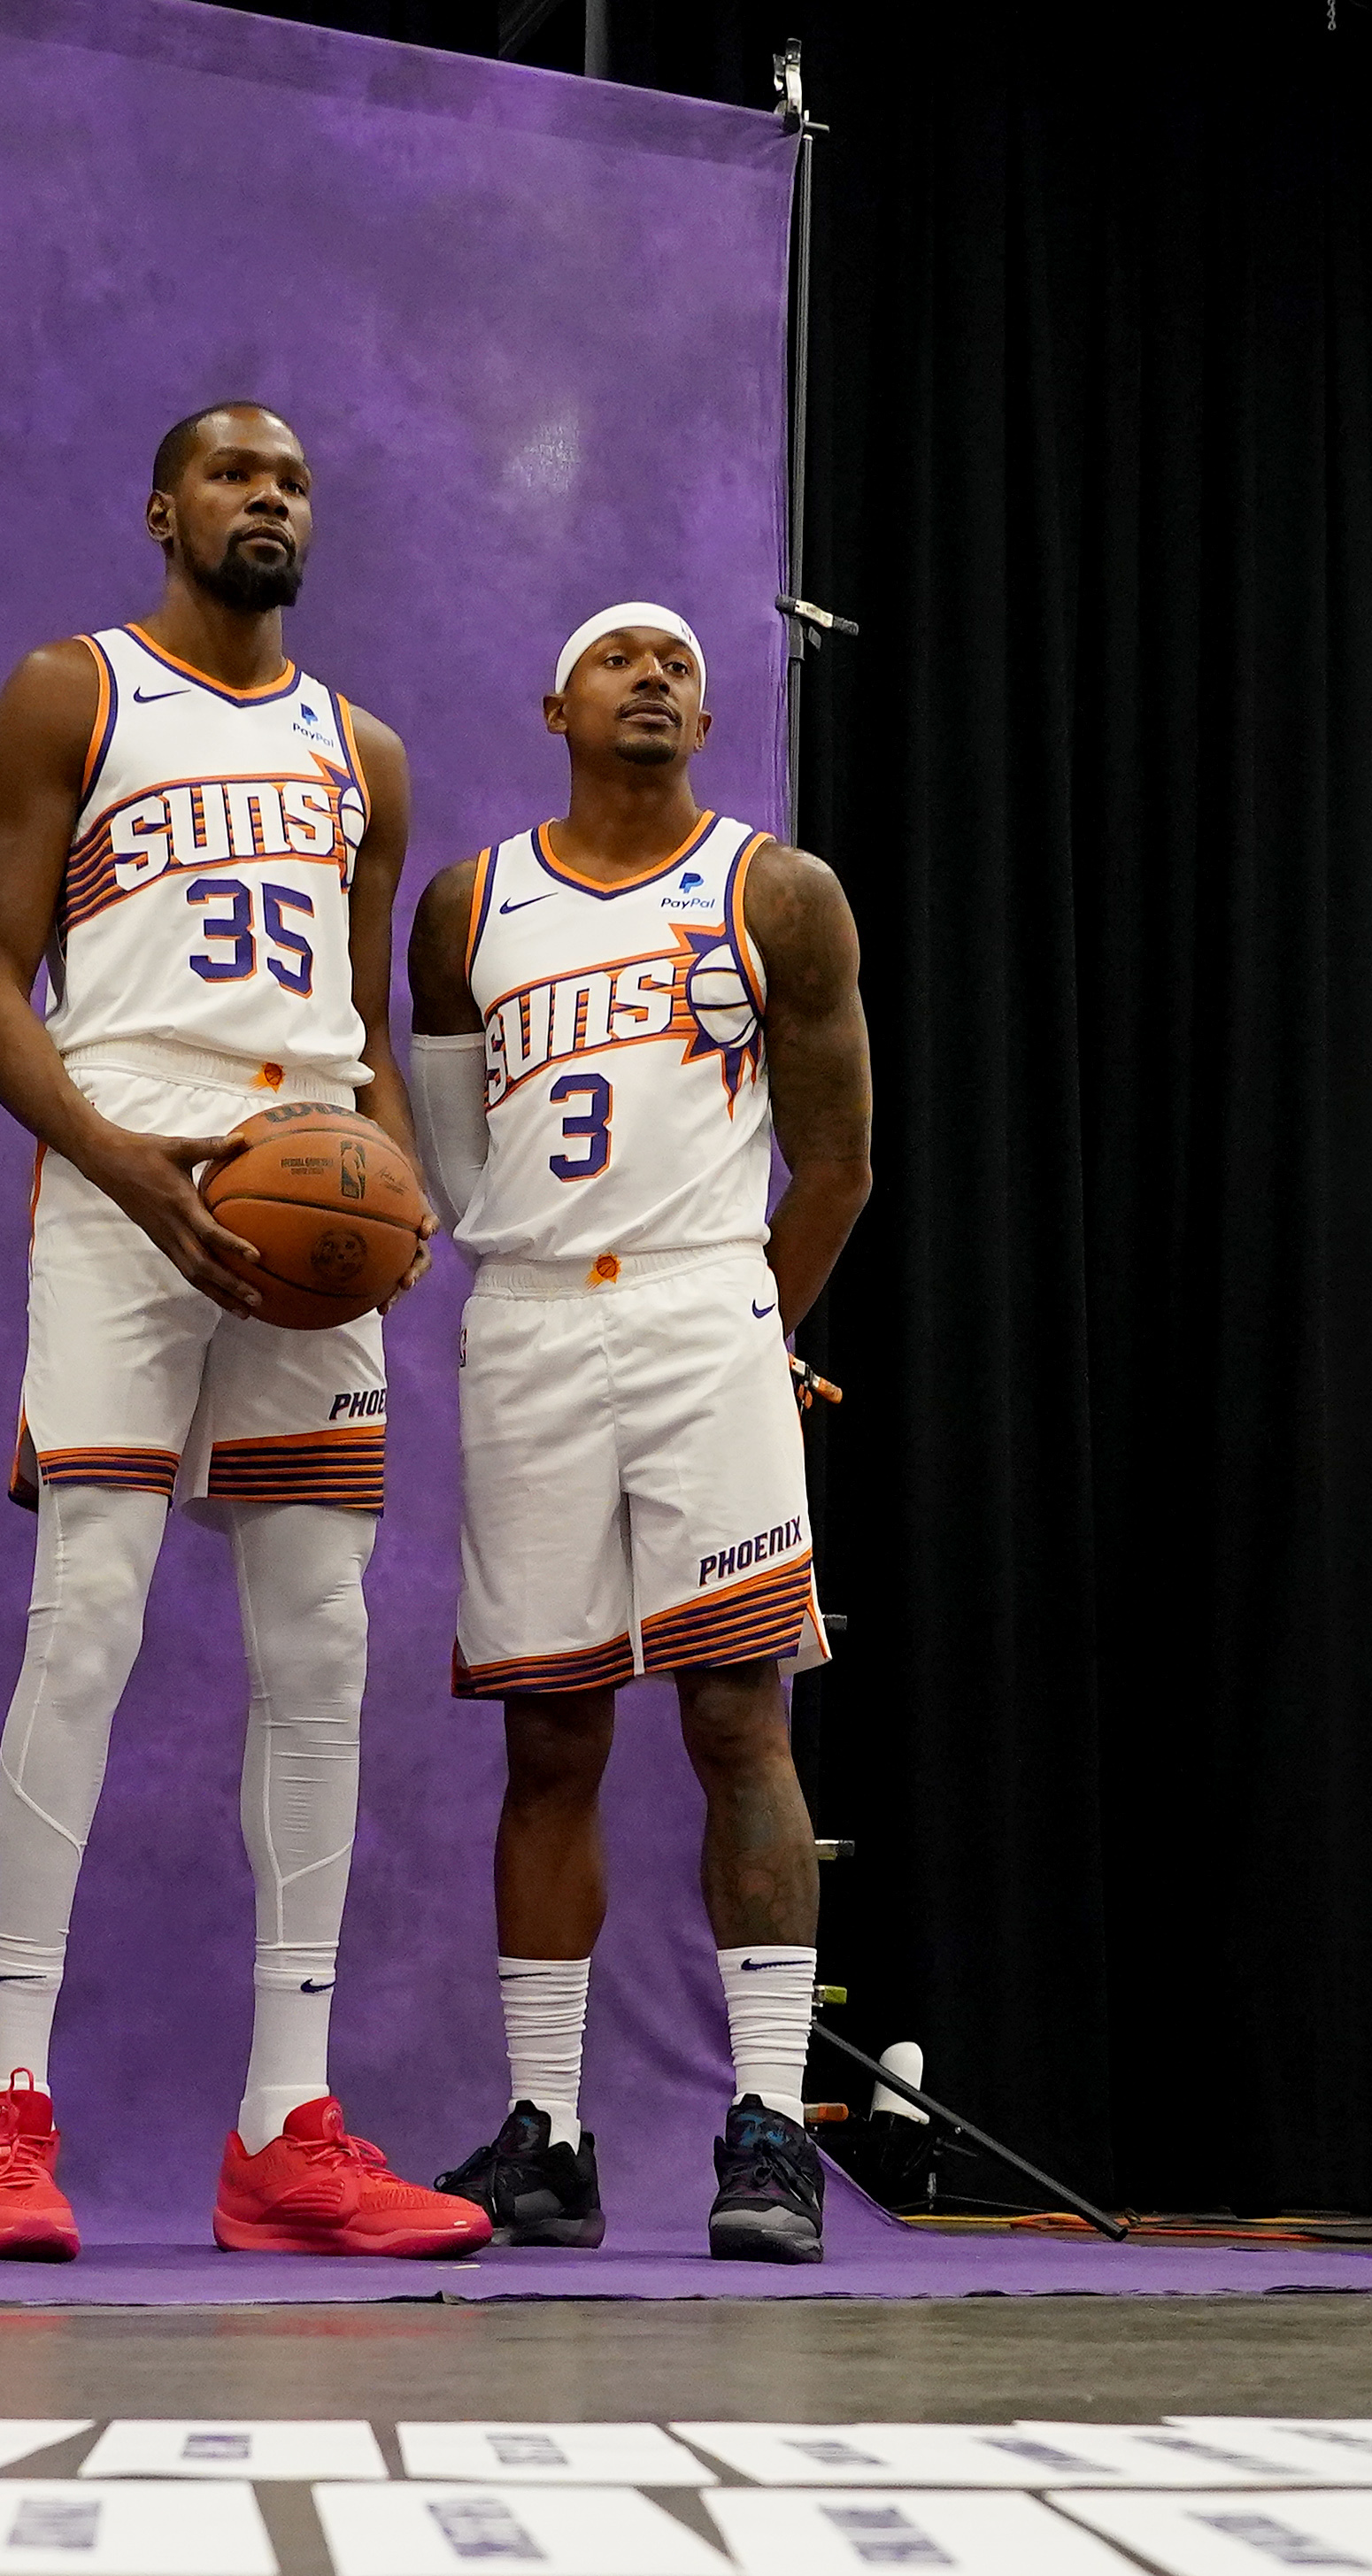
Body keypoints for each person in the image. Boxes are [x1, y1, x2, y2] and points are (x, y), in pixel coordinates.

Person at [0, 400, 485, 2262]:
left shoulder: (365, 752)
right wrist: (116, 1160)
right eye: (236, 474)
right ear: (164, 505)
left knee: (322, 1647)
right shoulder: (68, 691)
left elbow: (356, 1022)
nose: (269, 498)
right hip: (123, 1177)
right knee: (86, 1618)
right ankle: (7, 2107)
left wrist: (396, 1199)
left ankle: (287, 2126)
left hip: (308, 1207)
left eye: (297, 478)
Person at [406, 603, 876, 2261]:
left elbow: (835, 1165)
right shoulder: (467, 904)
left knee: (737, 1717)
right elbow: (451, 1161)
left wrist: (758, 1328)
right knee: (548, 1738)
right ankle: (549, 2135)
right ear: (554, 704)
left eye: (677, 660)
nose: (656, 676)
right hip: (532, 1315)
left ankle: (764, 2131)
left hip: (699, 1309)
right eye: (619, 657)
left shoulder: (776, 892)